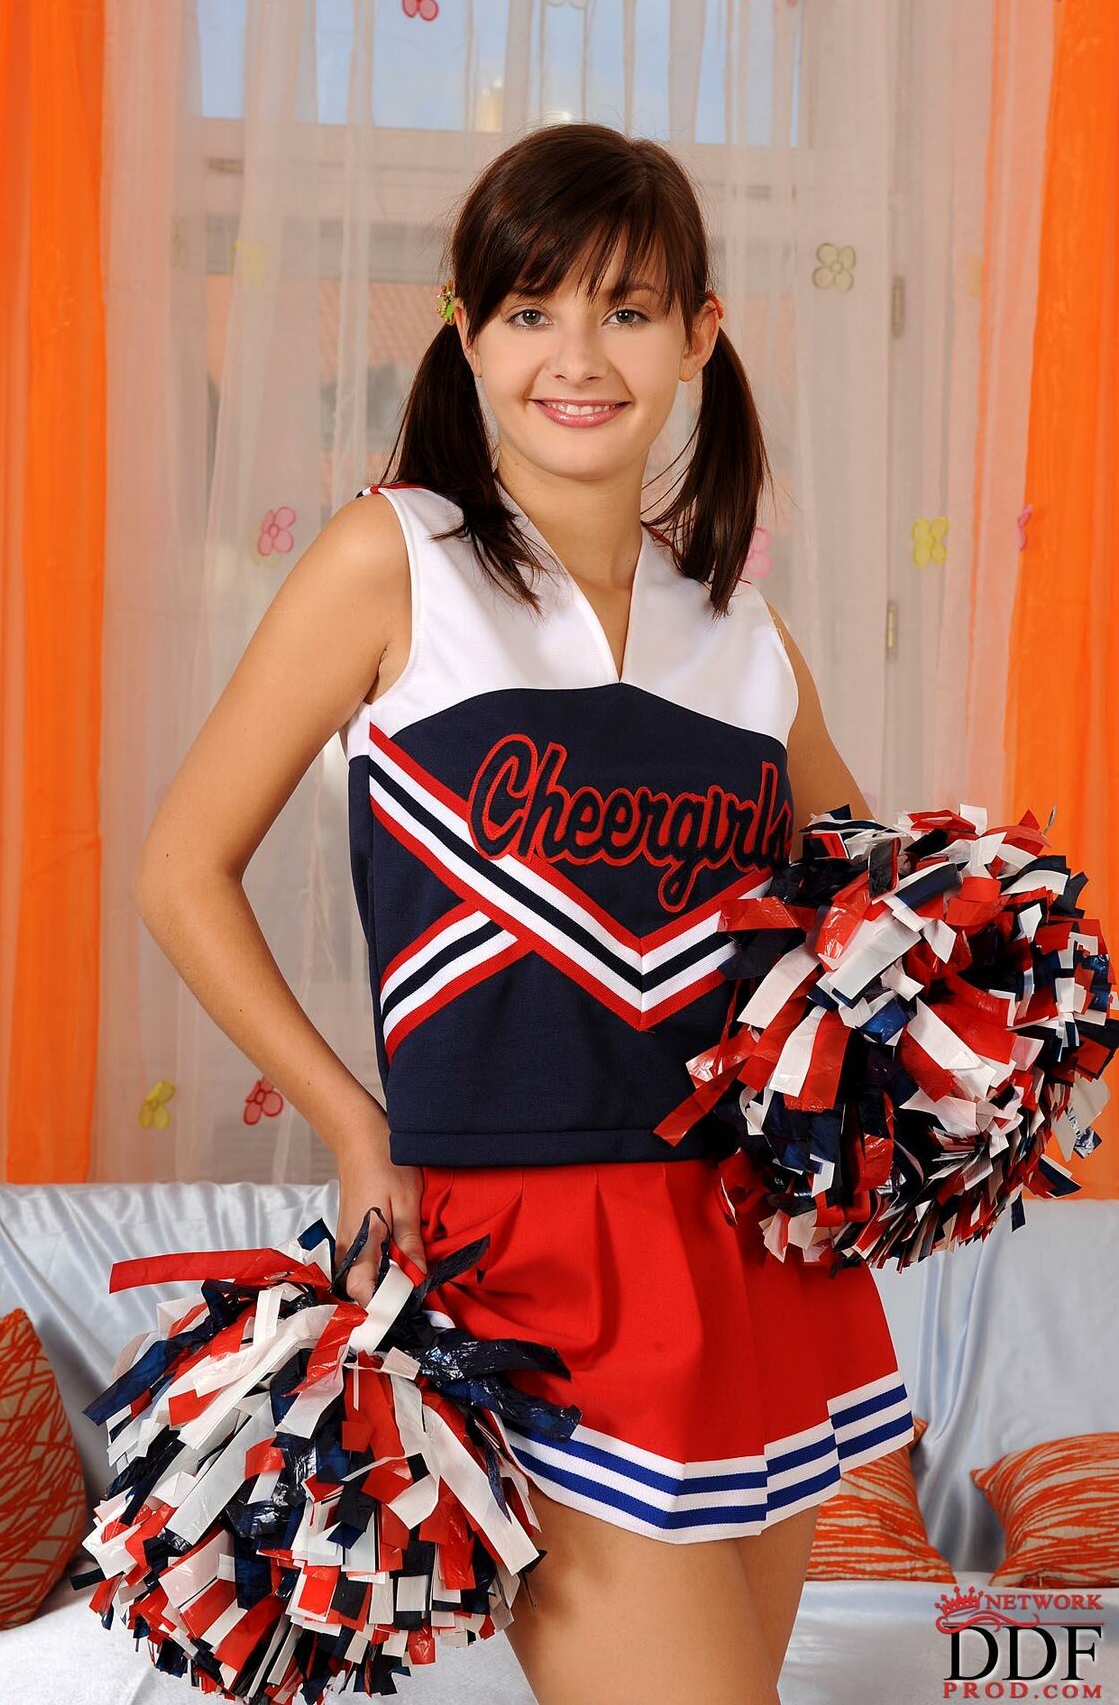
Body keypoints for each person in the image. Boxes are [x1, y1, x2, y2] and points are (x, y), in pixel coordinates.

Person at [135, 122, 915, 1705]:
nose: (578, 356)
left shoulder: (738, 629)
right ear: (467, 331)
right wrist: (356, 1129)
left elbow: (872, 907)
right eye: (531, 309)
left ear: (700, 333)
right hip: (522, 1255)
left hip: (748, 1246)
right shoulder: (396, 561)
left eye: (627, 311)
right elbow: (179, 868)